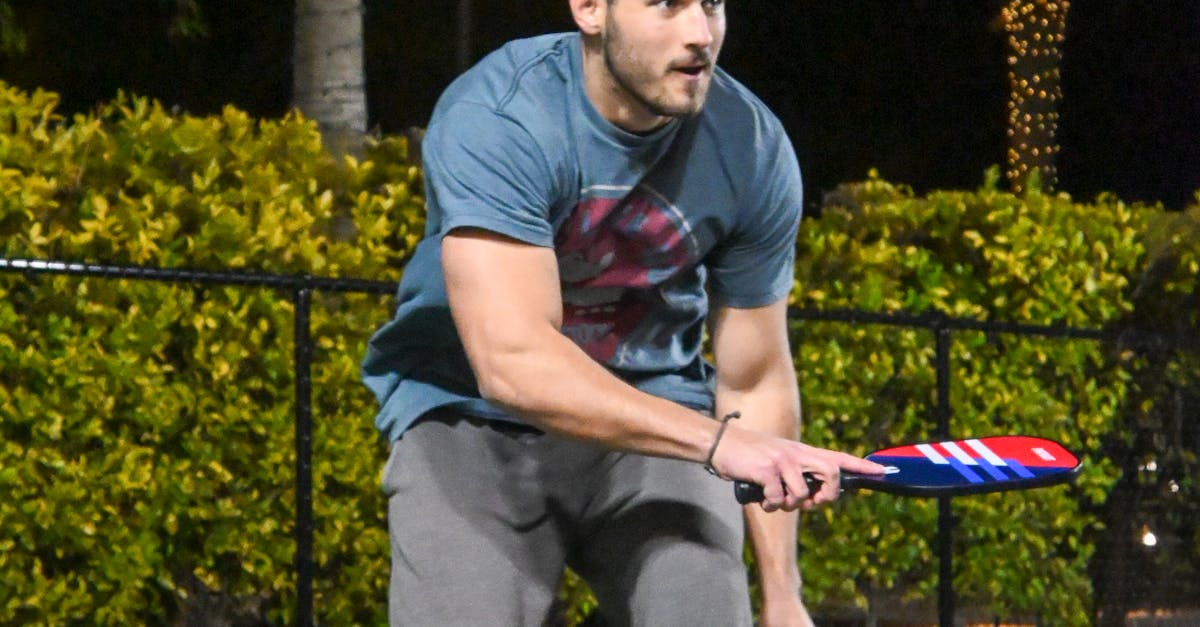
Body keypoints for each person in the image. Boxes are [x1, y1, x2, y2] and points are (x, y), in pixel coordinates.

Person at [362, 0, 885, 624]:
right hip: (471, 416)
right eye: (667, 4)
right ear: (590, 8)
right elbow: (513, 363)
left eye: (712, 5)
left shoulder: (750, 146)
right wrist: (719, 443)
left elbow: (755, 379)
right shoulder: (503, 116)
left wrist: (782, 595)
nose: (700, 34)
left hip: (655, 426)